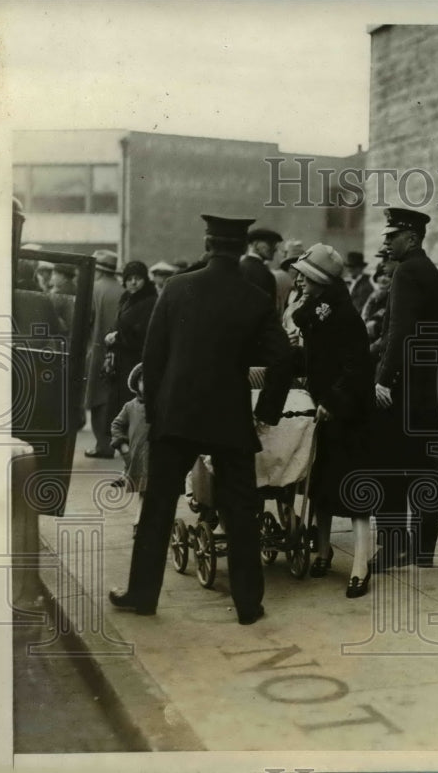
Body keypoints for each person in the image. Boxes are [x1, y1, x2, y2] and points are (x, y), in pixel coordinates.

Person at [108, 214, 293, 625]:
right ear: (241, 247)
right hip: (229, 416)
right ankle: (248, 604)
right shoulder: (255, 299)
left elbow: (153, 359)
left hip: (177, 414)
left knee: (158, 506)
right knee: (241, 511)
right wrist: (265, 413)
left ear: (207, 244)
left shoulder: (175, 288)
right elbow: (283, 358)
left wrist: (155, 414)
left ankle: (142, 594)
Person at [289, 243, 376, 597]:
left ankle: (360, 564)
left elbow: (356, 366)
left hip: (348, 413)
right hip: (323, 408)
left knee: (353, 491)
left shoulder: (343, 315)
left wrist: (333, 401)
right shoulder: (317, 309)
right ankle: (322, 551)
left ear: (320, 280)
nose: (299, 280)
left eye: (305, 276)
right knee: (322, 485)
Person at [370, 207, 438, 571]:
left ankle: (391, 548)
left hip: (402, 390)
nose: (386, 243)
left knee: (389, 468)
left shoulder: (405, 273)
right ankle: (423, 550)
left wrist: (383, 379)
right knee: (425, 468)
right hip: (428, 389)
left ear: (412, 238)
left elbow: (399, 333)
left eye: (392, 236)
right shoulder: (433, 274)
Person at [105, 261, 158, 435]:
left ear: (145, 280)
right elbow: (120, 323)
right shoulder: (126, 298)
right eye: (129, 279)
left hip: (136, 360)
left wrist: (117, 337)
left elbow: (143, 332)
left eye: (138, 278)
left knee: (132, 399)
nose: (133, 283)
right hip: (121, 360)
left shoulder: (151, 301)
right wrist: (113, 333)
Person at [84, 251, 124, 459]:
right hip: (120, 351)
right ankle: (113, 441)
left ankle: (102, 445)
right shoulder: (122, 290)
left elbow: (86, 321)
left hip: (98, 351)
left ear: (98, 270)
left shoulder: (94, 290)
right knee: (112, 397)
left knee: (98, 399)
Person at [110, 363, 150, 535]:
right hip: (138, 456)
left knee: (151, 492)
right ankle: (139, 522)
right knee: (144, 492)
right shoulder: (130, 406)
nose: (147, 384)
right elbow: (116, 425)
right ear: (136, 383)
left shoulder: (161, 404)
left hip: (155, 456)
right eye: (142, 380)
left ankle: (145, 522)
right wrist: (122, 445)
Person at [241, 227, 281, 303]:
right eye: (270, 243)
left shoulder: (240, 265)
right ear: (256, 244)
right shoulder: (264, 273)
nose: (275, 249)